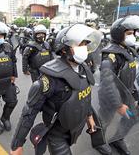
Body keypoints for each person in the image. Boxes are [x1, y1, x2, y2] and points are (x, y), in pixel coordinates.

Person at [10, 24, 101, 155]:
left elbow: (85, 96)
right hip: (57, 134)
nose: (84, 49)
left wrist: (90, 117)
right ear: (64, 49)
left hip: (75, 128)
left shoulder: (84, 69)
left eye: (86, 44)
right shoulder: (49, 79)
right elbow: (29, 113)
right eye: (80, 45)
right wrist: (16, 145)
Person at [92, 15, 139, 155]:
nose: (133, 36)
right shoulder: (110, 55)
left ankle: (117, 138)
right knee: (104, 121)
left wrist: (134, 96)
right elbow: (108, 84)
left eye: (134, 33)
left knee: (131, 118)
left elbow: (131, 75)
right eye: (129, 33)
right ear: (118, 34)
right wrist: (118, 105)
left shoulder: (128, 50)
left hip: (126, 94)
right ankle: (98, 142)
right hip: (110, 98)